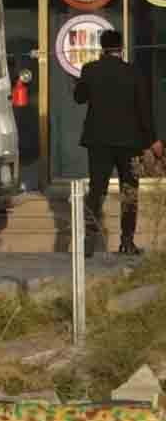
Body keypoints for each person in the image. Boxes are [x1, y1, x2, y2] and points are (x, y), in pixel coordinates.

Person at [74, 30, 164, 257]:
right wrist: (152, 139)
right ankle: (127, 242)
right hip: (130, 142)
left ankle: (88, 242)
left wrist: (80, 82)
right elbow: (144, 108)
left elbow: (79, 98)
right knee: (129, 192)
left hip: (98, 141)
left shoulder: (90, 70)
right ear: (121, 48)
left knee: (96, 190)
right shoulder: (133, 72)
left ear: (101, 48)